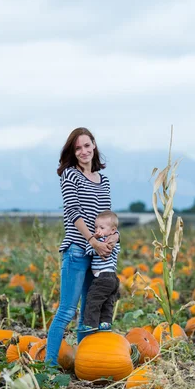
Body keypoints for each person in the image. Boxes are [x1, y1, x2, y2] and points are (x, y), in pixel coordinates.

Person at [45, 127, 119, 367]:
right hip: (78, 249)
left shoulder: (103, 180)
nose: (83, 151)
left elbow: (108, 219)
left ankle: (84, 363)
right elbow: (73, 212)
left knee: (90, 314)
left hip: (98, 257)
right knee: (67, 310)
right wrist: (93, 241)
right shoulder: (70, 175)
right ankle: (48, 366)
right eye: (78, 148)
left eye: (87, 145)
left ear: (94, 145)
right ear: (73, 152)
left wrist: (114, 238)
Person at [79, 210, 120, 333]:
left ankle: (90, 324)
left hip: (103, 276)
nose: (97, 230)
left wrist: (94, 242)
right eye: (96, 227)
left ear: (113, 230)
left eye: (101, 227)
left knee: (93, 299)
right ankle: (106, 322)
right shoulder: (115, 243)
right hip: (113, 278)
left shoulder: (103, 242)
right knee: (108, 301)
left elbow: (89, 252)